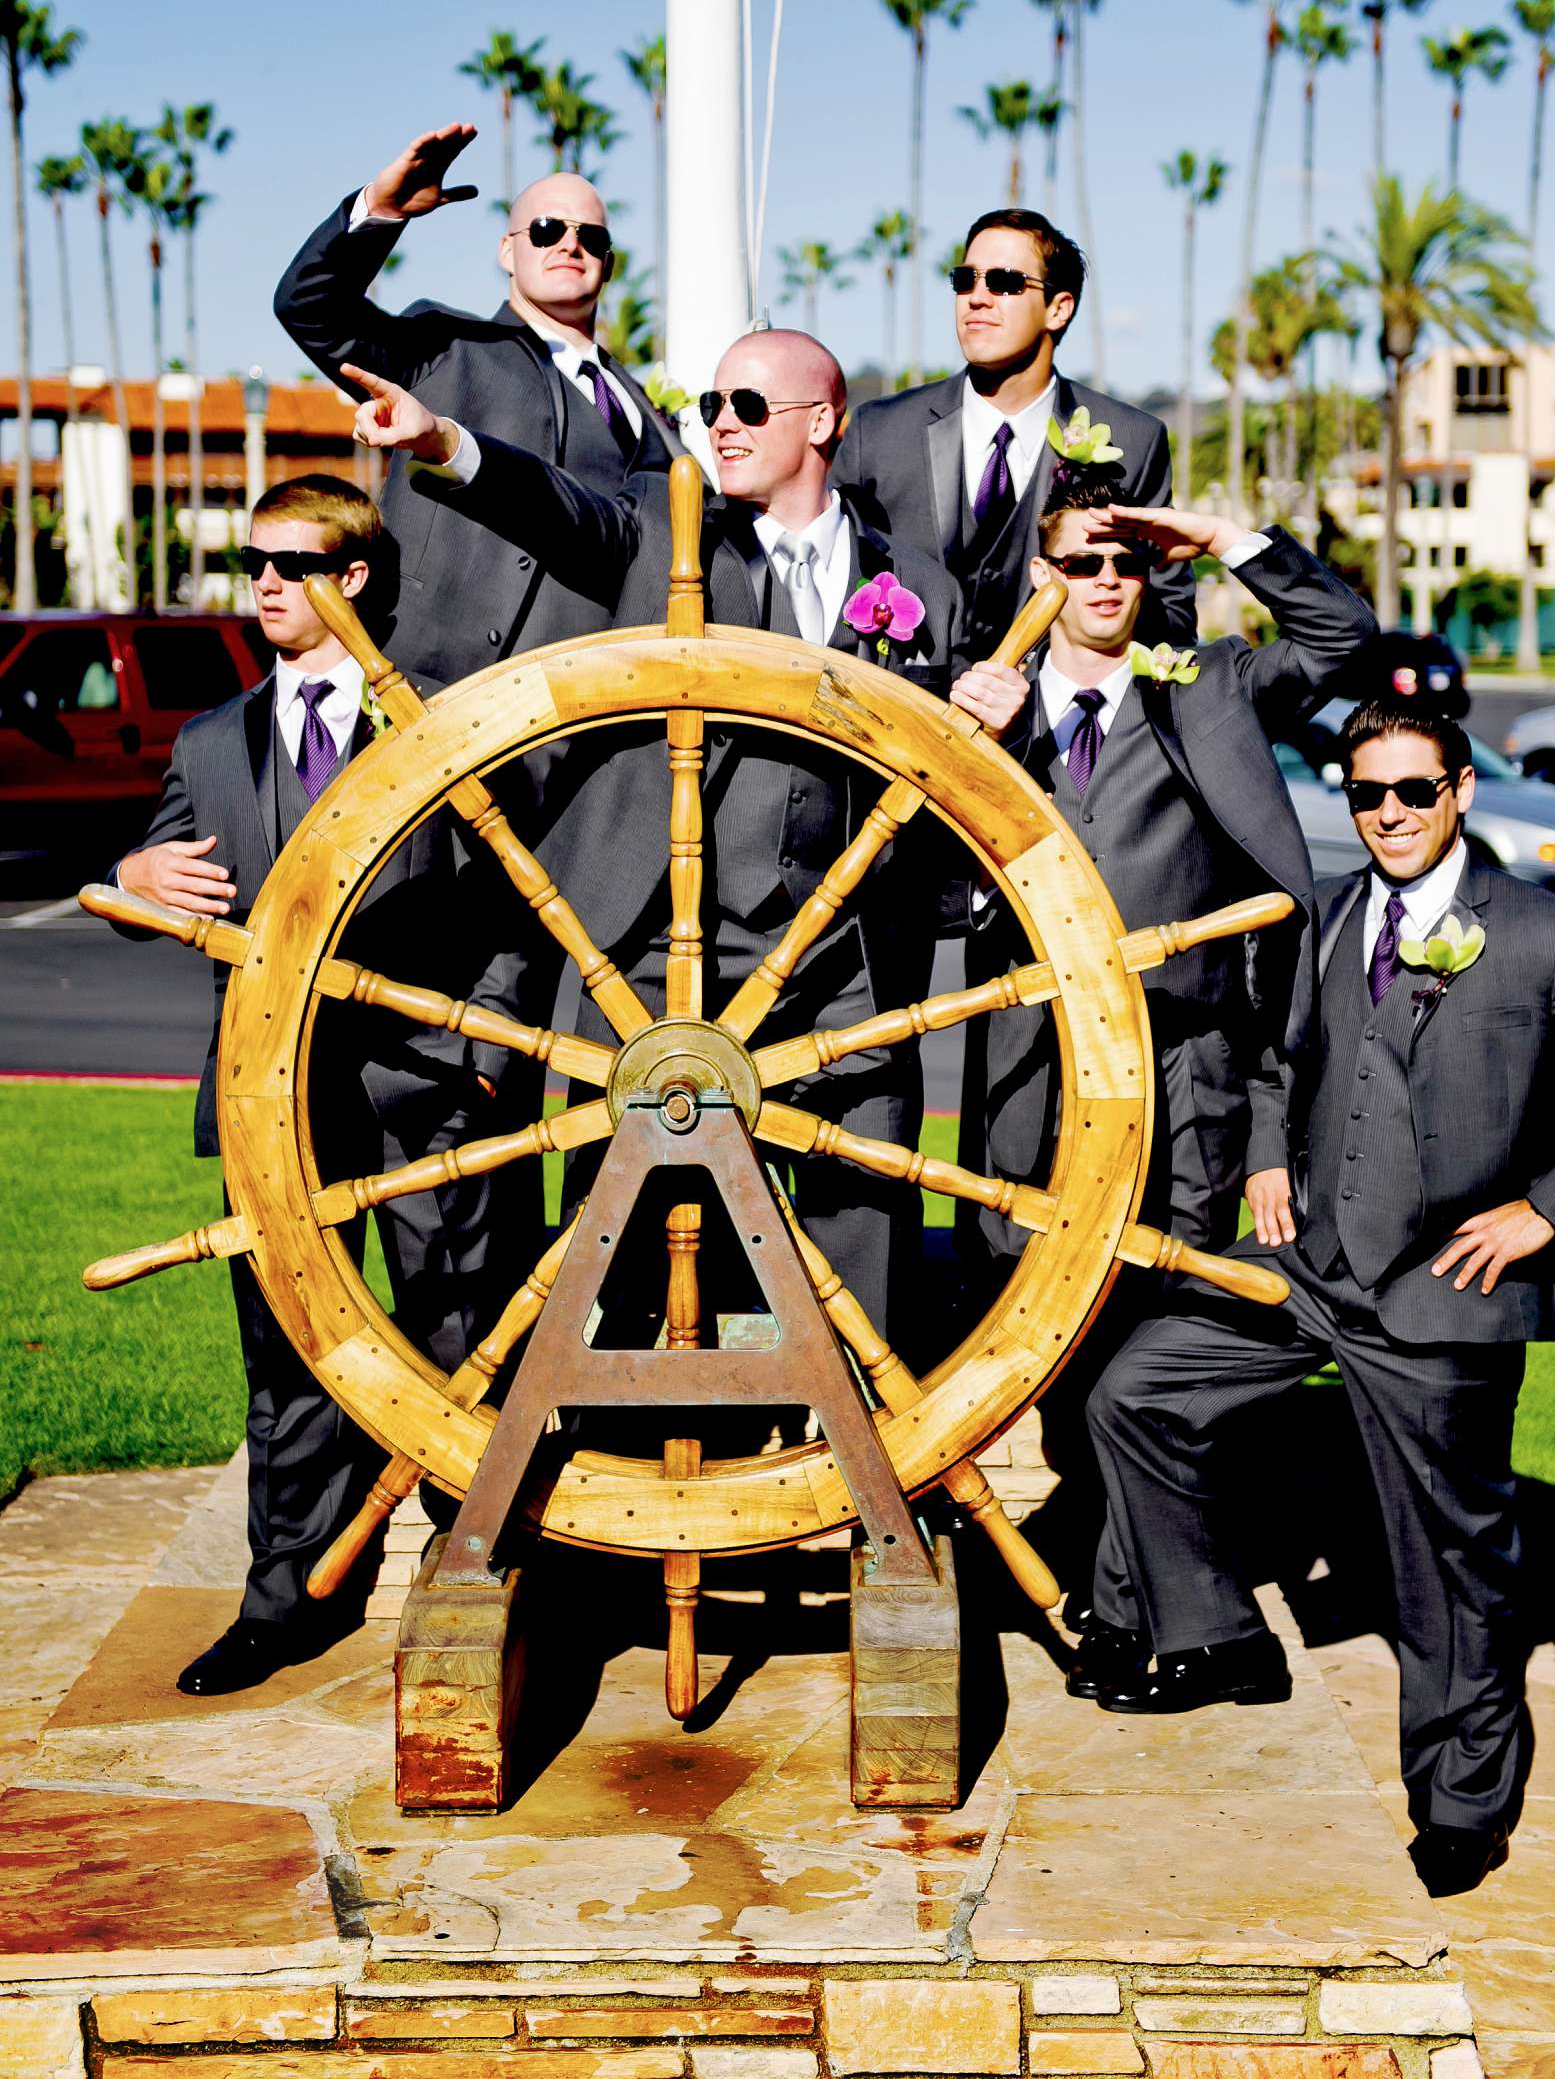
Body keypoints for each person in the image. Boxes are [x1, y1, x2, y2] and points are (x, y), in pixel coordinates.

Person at [340, 329, 975, 1340]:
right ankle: (621, 1451)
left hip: (836, 950)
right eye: (713, 404)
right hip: (644, 936)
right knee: (625, 1210)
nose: (720, 423)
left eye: (749, 407)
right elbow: (552, 507)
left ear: (823, 423)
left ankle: (867, 1461)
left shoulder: (920, 591)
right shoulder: (655, 523)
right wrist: (442, 442)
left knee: (867, 1202)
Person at [1085, 701, 1555, 1899]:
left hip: (1447, 1293)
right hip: (1315, 1271)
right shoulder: (1329, 916)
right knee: (1137, 1392)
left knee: (1448, 1569)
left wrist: (1551, 1211)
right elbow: (1281, 1057)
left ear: (1459, 791)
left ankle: (1462, 1797)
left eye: (1413, 793)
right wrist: (1268, 1153)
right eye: (1367, 795)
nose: (1388, 816)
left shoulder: (1547, 933)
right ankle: (1216, 1632)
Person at [957, 472, 1373, 1638]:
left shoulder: (1211, 686)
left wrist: (1215, 537)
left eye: (1124, 562)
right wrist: (964, 733)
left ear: (1153, 574)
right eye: (1079, 562)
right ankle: (1100, 1555)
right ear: (1040, 577)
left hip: (1184, 1064)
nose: (1102, 583)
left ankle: (1154, 1592)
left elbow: (1342, 638)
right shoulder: (992, 708)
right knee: (1053, 1315)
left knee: (1163, 1316)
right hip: (1033, 1069)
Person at [113, 477, 506, 1694]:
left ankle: (473, 1591)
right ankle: (287, 1603)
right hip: (266, 1102)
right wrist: (132, 874)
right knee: (287, 1360)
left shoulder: (437, 724)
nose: (268, 584)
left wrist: (488, 1062)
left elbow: (512, 909)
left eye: (293, 562)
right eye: (254, 563)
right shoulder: (207, 741)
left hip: (431, 1093)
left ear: (356, 580)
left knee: (459, 1344)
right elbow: (156, 885)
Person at [274, 124, 677, 688]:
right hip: (434, 699)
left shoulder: (643, 409)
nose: (569, 244)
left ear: (608, 264)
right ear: (507, 251)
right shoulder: (443, 345)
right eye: (546, 229)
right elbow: (310, 308)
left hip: (597, 721)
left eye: (591, 237)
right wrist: (383, 210)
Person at [834, 207, 1194, 656]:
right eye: (965, 280)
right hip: (900, 713)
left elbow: (1169, 618)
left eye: (1004, 282)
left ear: (1059, 309)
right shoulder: (881, 430)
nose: (977, 297)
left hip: (1052, 721)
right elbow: (831, 585)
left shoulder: (1131, 441)